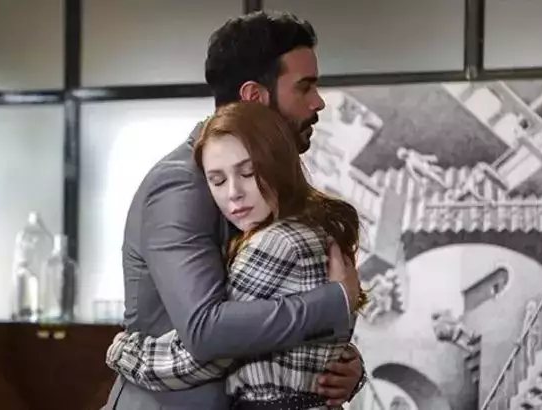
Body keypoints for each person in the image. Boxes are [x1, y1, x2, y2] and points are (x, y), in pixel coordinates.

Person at [102, 11, 367, 410]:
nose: (318, 102)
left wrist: (344, 364)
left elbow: (276, 316)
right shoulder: (181, 182)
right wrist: (333, 303)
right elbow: (204, 330)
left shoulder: (278, 183)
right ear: (255, 97)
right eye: (304, 87)